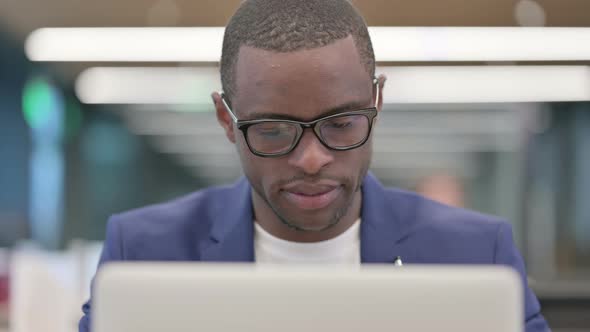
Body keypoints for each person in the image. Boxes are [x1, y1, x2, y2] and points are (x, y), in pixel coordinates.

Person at [78, 0, 550, 331]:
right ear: (227, 119)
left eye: (341, 123)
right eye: (274, 130)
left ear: (377, 101)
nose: (311, 159)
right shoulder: (142, 252)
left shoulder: (476, 256)